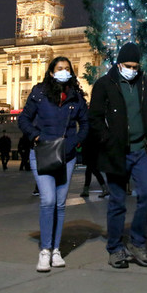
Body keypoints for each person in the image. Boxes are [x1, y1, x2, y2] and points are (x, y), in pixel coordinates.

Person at [89, 42, 147, 269]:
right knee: (117, 202)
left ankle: (137, 242)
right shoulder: (104, 84)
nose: (132, 70)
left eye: (135, 66)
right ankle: (115, 248)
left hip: (140, 150)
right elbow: (95, 117)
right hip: (116, 152)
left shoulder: (142, 83)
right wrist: (107, 139)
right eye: (128, 66)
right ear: (119, 64)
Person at [18, 56, 88, 272]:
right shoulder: (39, 92)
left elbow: (86, 124)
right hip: (42, 152)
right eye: (59, 68)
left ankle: (56, 249)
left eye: (67, 68)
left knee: (60, 203)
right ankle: (45, 250)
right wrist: (36, 136)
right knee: (48, 200)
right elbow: (24, 119)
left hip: (66, 155)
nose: (63, 71)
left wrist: (74, 142)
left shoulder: (76, 96)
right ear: (51, 72)